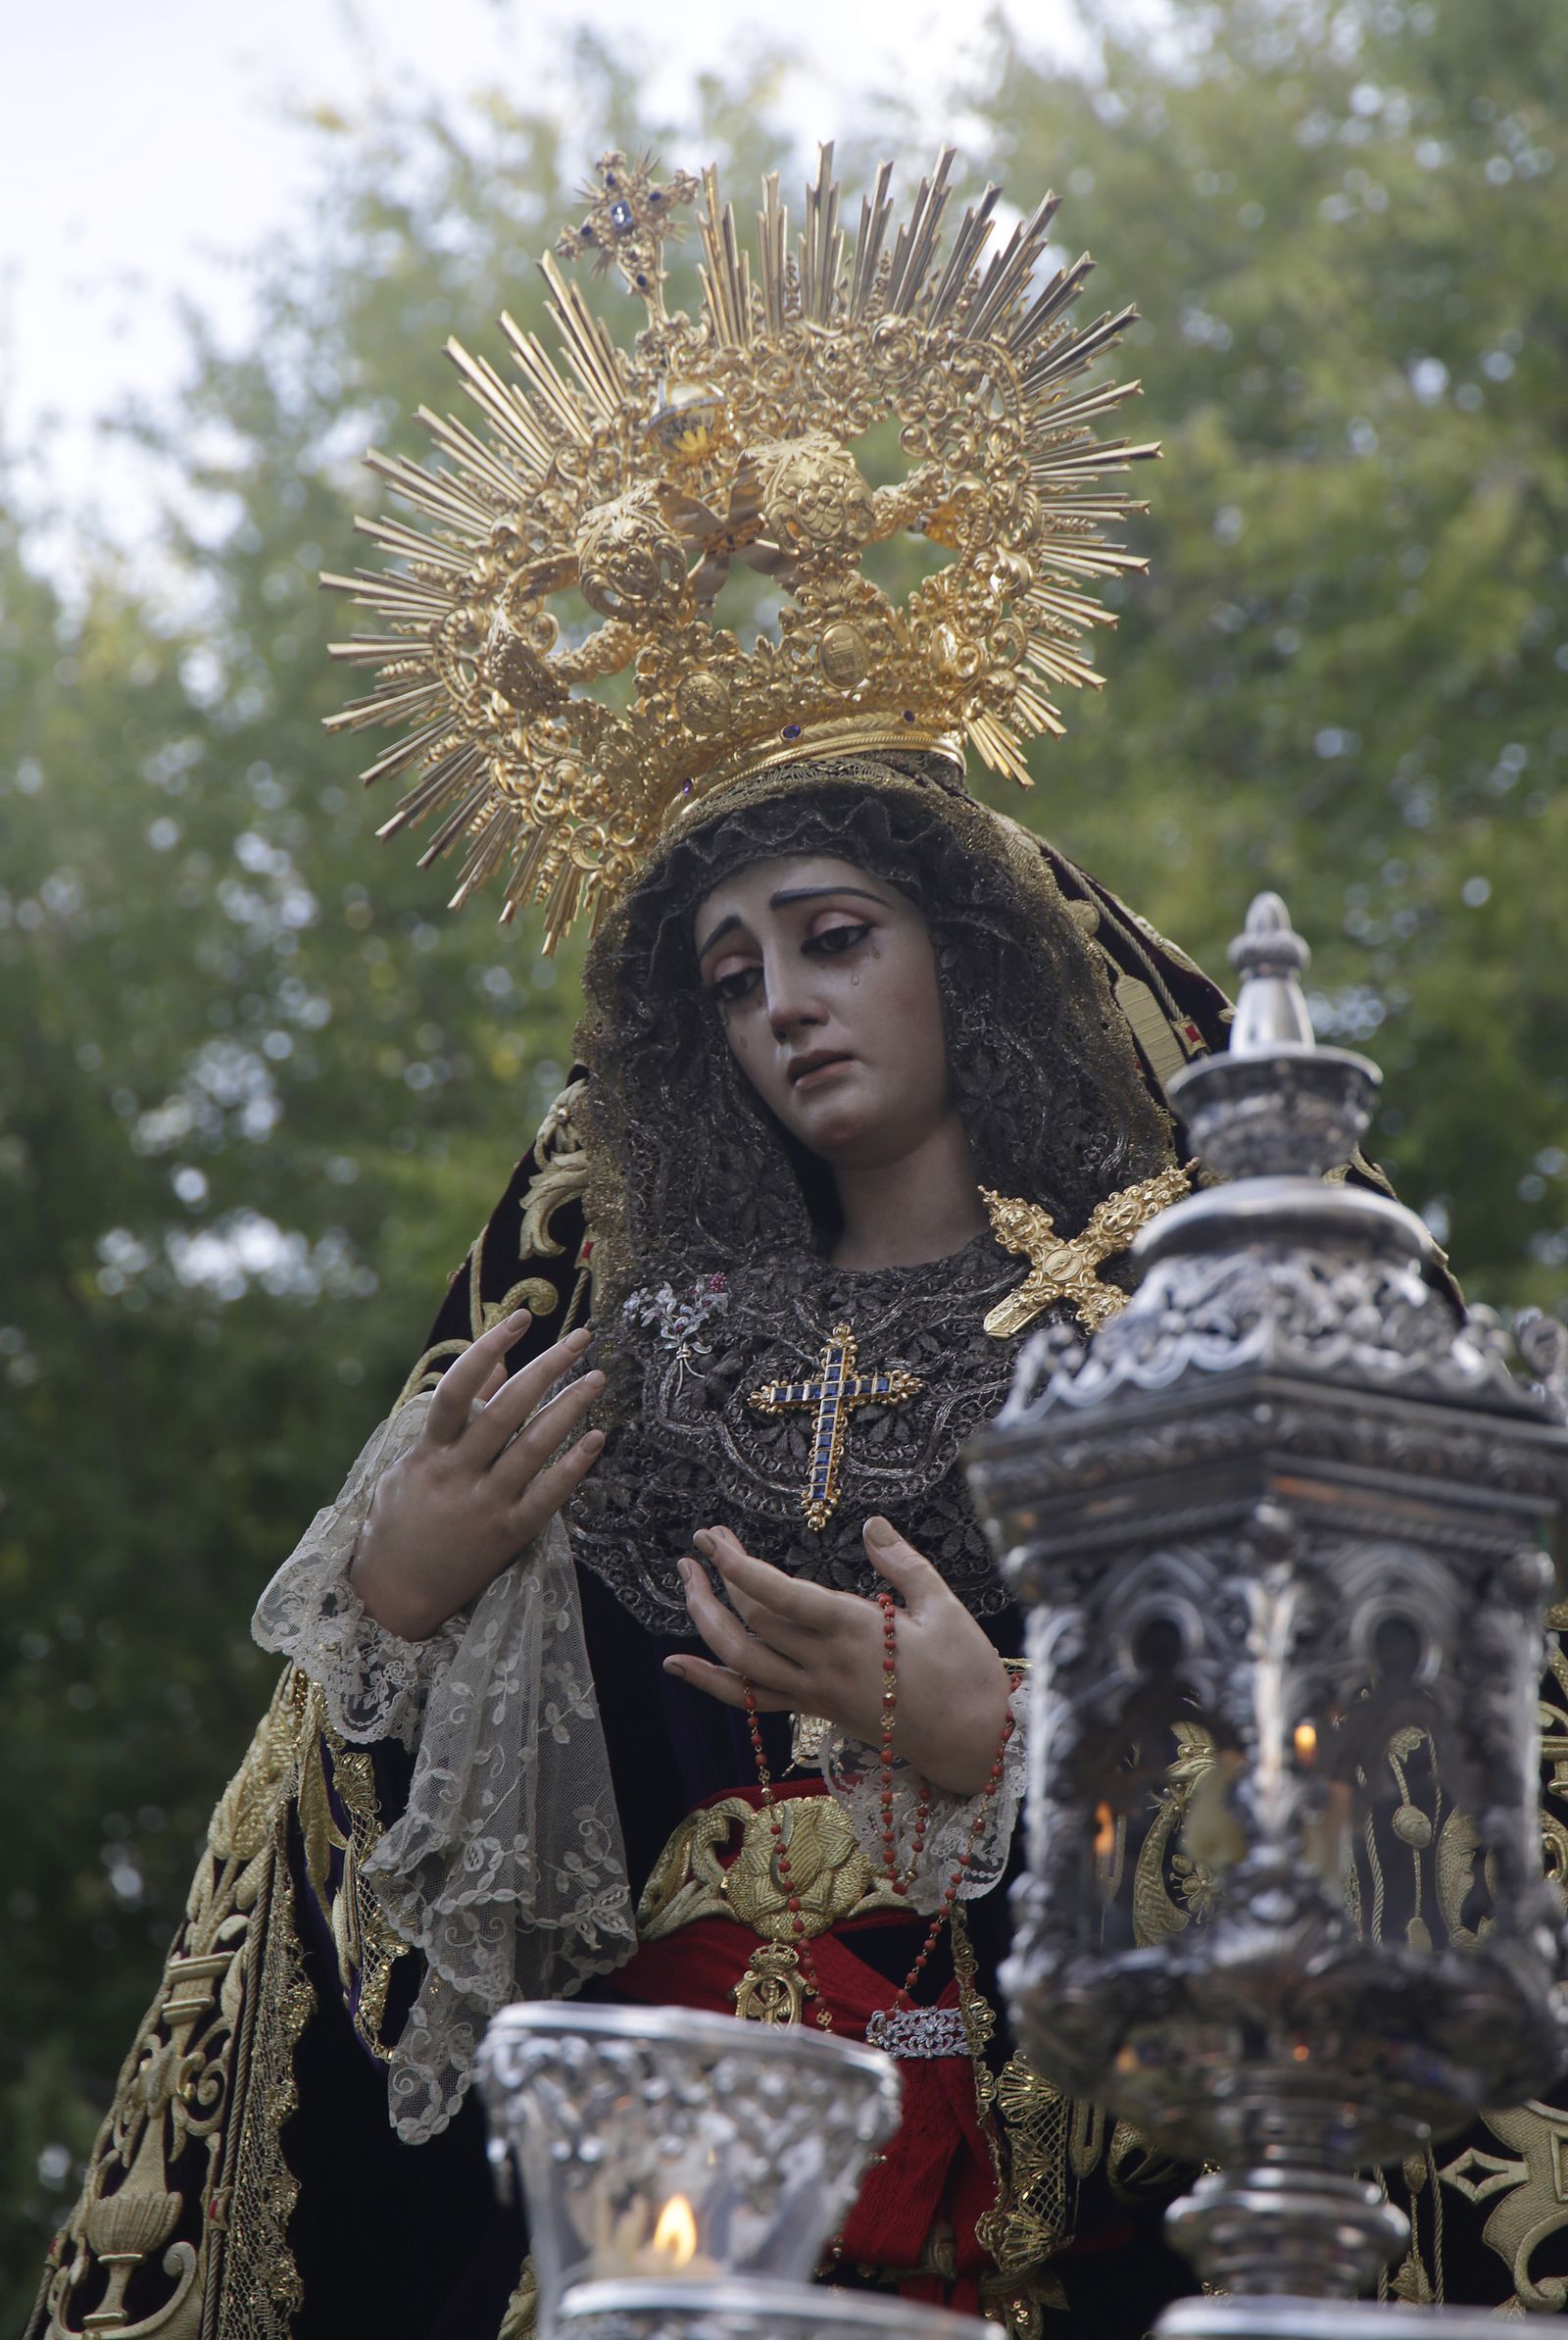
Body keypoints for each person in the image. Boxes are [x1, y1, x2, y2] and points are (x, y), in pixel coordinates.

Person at [30, 147, 1567, 2340]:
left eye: (833, 940)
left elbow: (1429, 1798)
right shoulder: (612, 1365)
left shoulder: (1180, 1323)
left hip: (1058, 2195)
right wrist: (401, 1602)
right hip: (643, 2192)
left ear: (966, 951)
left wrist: (1008, 1739)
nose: (787, 1010)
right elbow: (411, 1924)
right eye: (732, 979)